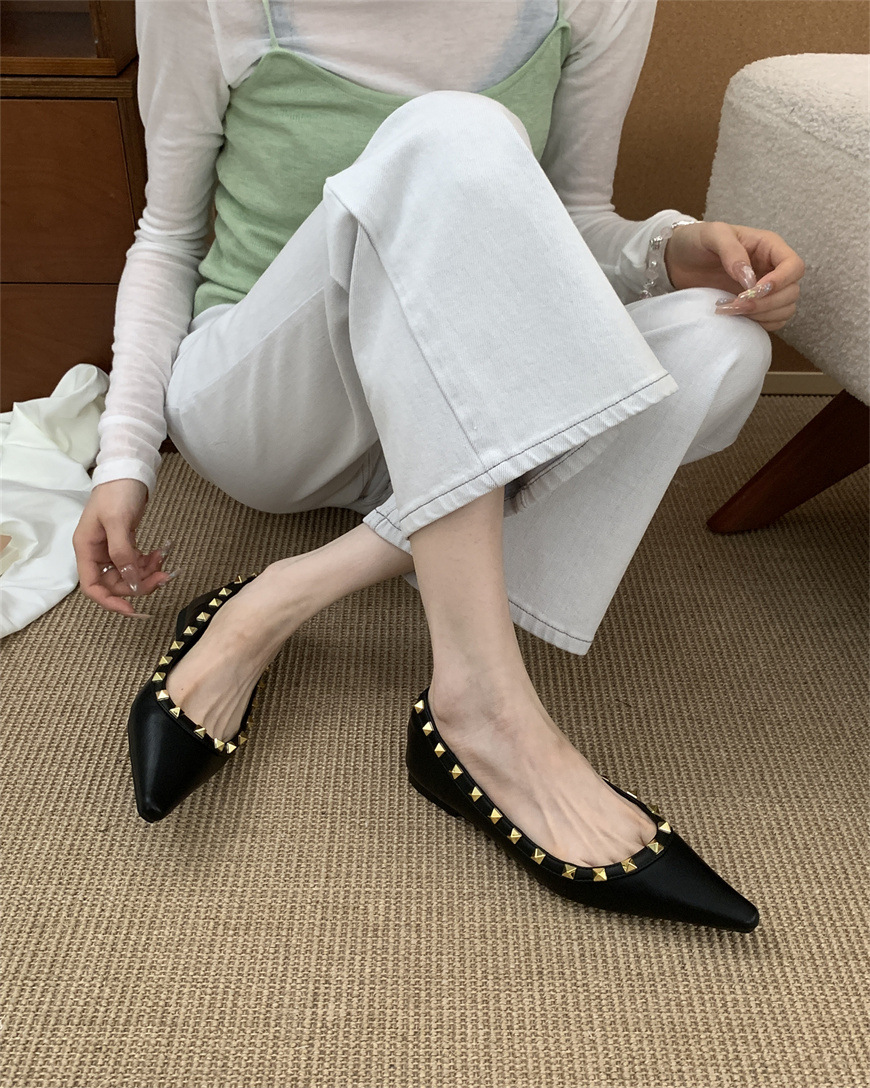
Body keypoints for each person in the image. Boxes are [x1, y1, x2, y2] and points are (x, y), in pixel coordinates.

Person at [72, 0, 804, 931]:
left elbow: (563, 222)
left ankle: (283, 595)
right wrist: (125, 455)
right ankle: (483, 708)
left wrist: (668, 249)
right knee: (455, 129)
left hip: (446, 406)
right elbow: (168, 236)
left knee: (720, 344)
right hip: (272, 403)